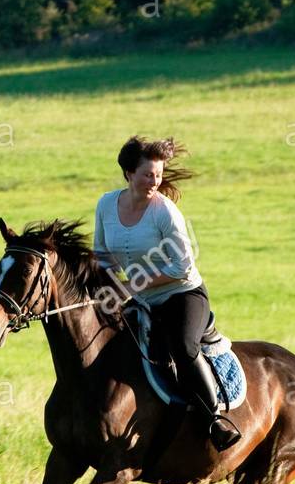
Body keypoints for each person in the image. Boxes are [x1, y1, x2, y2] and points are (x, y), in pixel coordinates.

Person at [92, 136, 242, 450]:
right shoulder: (106, 204)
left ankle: (214, 418)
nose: (155, 181)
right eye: (148, 174)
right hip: (139, 299)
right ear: (129, 174)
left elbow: (183, 266)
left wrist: (133, 284)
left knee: (183, 347)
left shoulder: (165, 212)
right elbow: (102, 254)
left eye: (159, 175)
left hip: (183, 294)